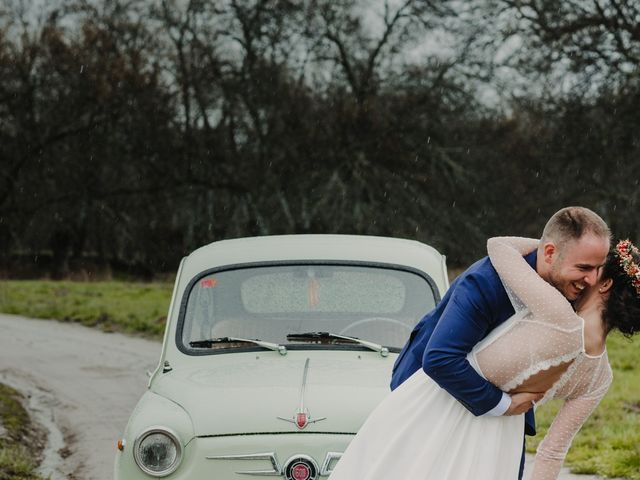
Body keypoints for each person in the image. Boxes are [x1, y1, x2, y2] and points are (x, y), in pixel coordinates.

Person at [328, 207, 632, 480]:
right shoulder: (486, 282)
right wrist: (503, 405)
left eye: (597, 269)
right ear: (550, 253)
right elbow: (441, 358)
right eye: (583, 268)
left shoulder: (564, 305)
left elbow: (500, 244)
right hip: (435, 400)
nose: (590, 280)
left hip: (500, 427)